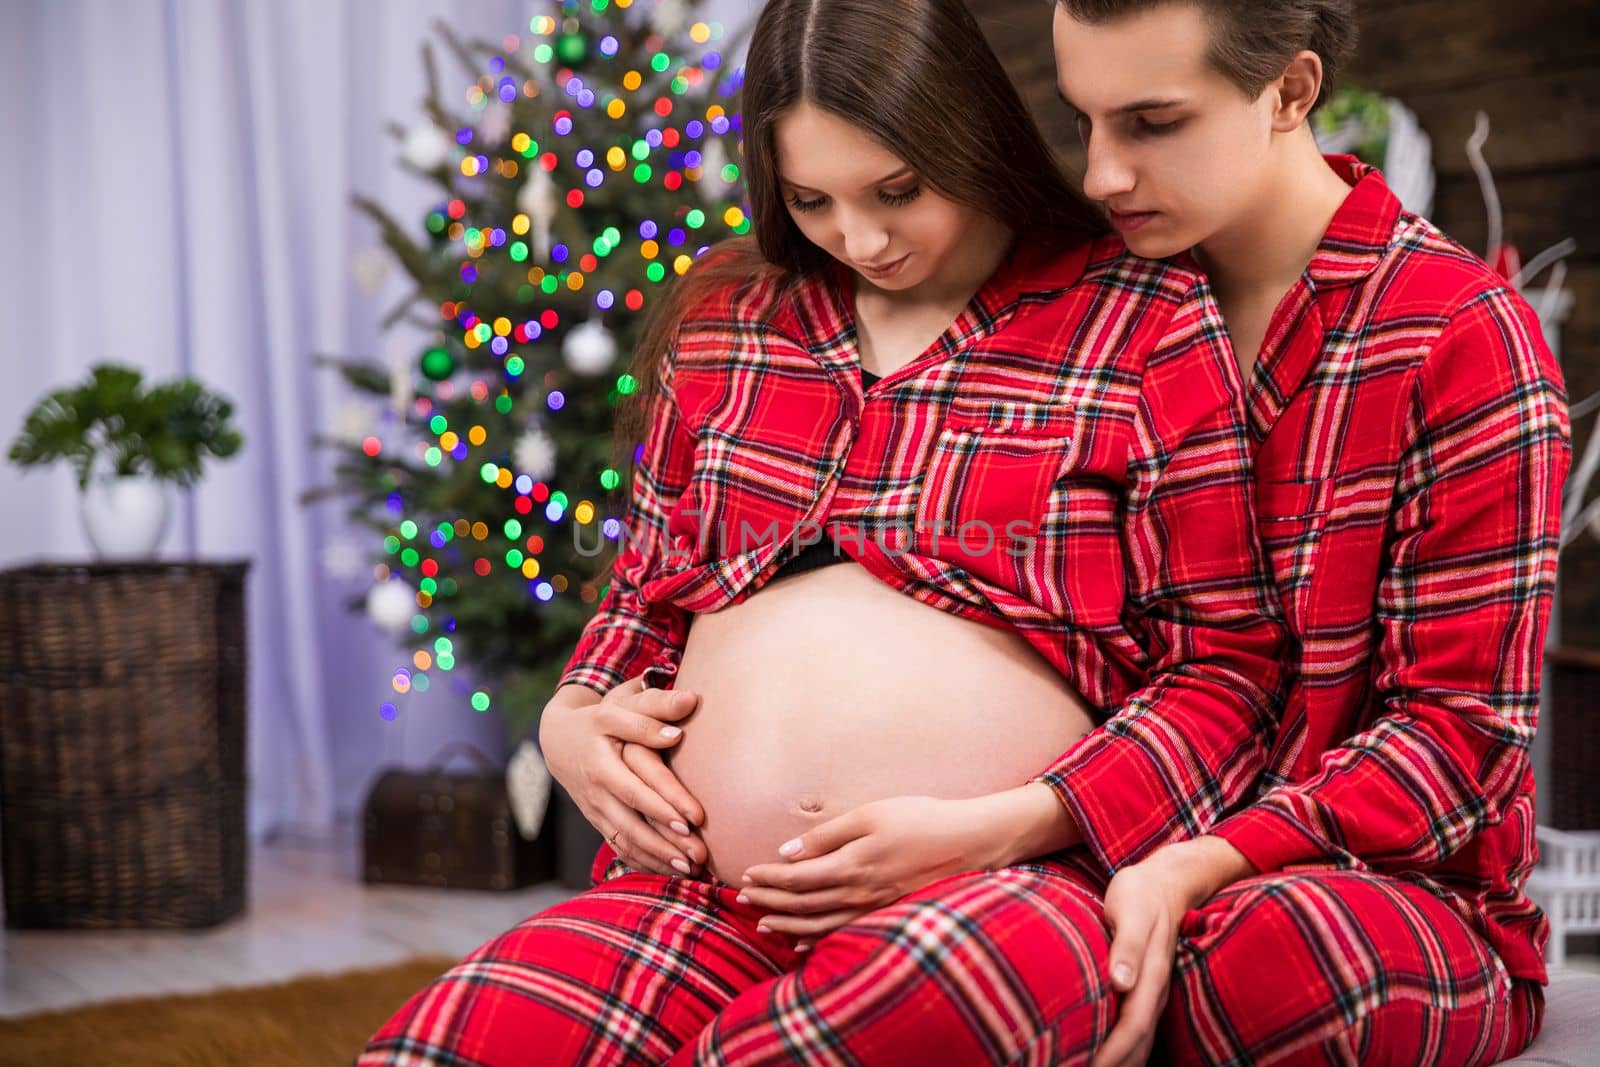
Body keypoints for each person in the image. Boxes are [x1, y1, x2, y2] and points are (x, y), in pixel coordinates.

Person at [358, 0, 1289, 1063]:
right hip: (700, 893)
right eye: (813, 199)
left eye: (899, 189)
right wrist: (570, 718)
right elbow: (644, 596)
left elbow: (1229, 670)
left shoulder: (1140, 319)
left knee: (865, 1019)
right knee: (439, 1048)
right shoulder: (727, 321)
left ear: (969, 135)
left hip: (993, 891)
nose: (863, 238)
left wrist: (1010, 821)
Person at [1047, 1, 1573, 1064]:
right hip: (1110, 840)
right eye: (1083, 122)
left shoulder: (1461, 337)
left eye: (1151, 122)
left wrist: (1207, 860)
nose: (1101, 174)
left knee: (1264, 959)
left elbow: (1456, 743)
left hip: (1391, 896)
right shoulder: (1092, 314)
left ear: (1289, 90)